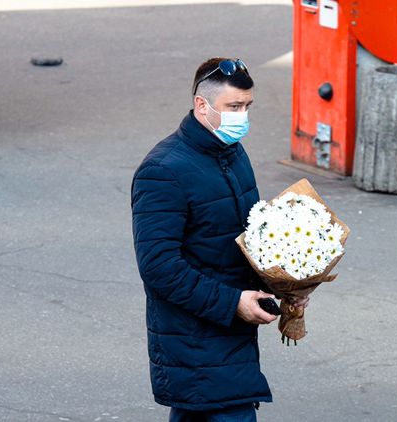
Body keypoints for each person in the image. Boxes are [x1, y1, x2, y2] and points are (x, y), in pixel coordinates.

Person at [131, 57, 278, 422]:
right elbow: (159, 267)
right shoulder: (163, 171)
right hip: (195, 339)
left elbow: (246, 238)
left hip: (227, 336)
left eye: (247, 106)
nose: (242, 117)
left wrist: (286, 285)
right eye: (234, 107)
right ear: (202, 105)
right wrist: (232, 303)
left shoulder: (231, 153)